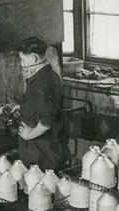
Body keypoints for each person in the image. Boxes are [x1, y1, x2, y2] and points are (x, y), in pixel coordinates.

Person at [15, 36, 70, 171]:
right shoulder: (52, 75)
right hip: (52, 144)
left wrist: (29, 135)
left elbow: (47, 121)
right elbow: (48, 104)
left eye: (23, 59)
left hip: (40, 149)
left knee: (39, 185)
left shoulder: (39, 84)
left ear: (34, 58)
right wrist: (24, 106)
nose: (22, 64)